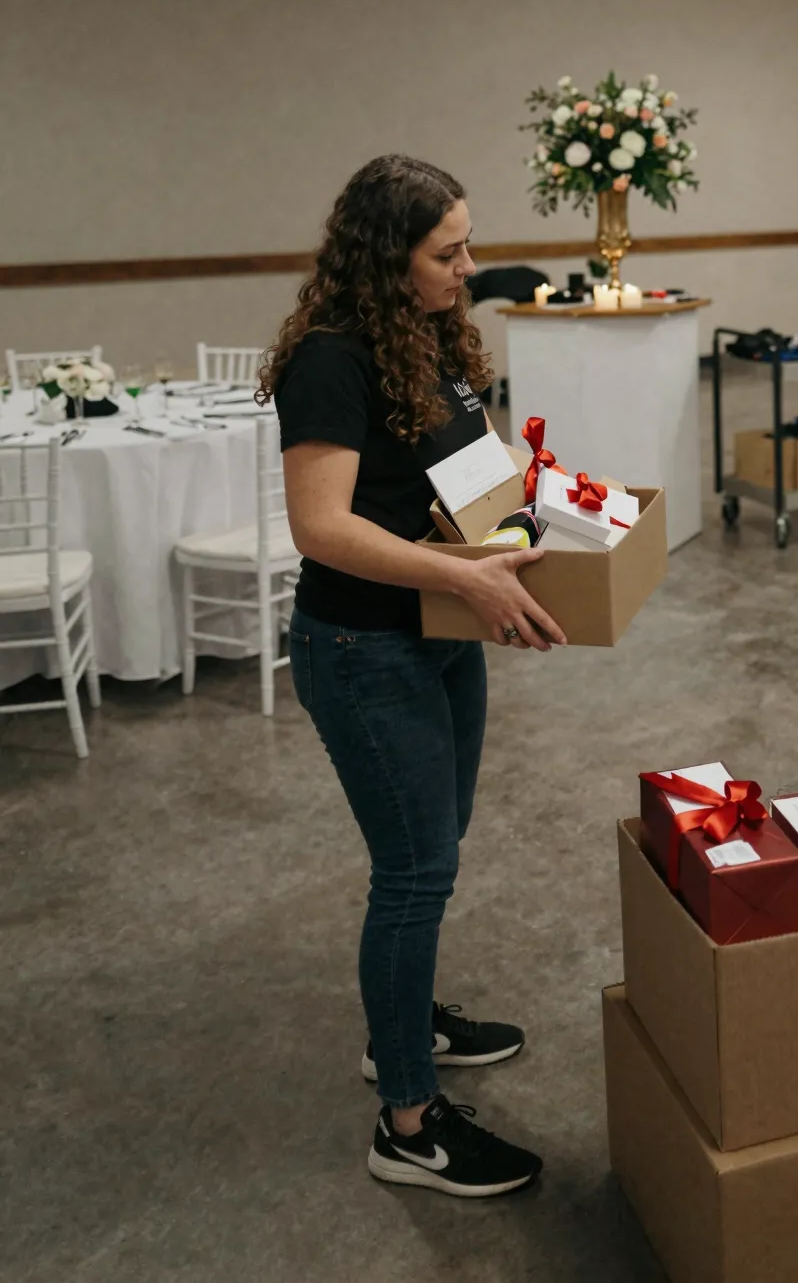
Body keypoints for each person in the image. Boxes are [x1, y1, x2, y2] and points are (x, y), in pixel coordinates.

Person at [261, 155, 561, 1198]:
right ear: (387, 258)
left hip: (437, 630)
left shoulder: (428, 337)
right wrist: (460, 579)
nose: (468, 268)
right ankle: (408, 1122)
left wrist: (542, 514)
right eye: (447, 252)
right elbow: (320, 526)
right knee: (414, 870)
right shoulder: (330, 361)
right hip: (363, 647)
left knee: (438, 844)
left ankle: (405, 1017)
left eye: (468, 245)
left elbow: (472, 471)